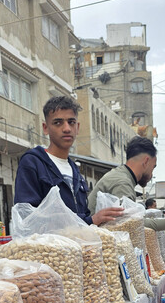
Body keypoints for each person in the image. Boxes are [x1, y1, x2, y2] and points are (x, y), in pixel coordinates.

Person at [14, 96, 122, 226]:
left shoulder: (75, 171)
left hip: (80, 245)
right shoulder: (33, 163)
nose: (66, 128)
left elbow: (82, 214)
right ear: (45, 128)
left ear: (77, 127)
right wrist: (90, 220)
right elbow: (29, 217)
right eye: (58, 123)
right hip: (50, 246)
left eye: (71, 122)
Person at [88, 136, 165, 231]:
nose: (151, 173)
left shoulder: (121, 176)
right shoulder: (122, 183)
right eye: (153, 167)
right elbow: (131, 224)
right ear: (146, 161)